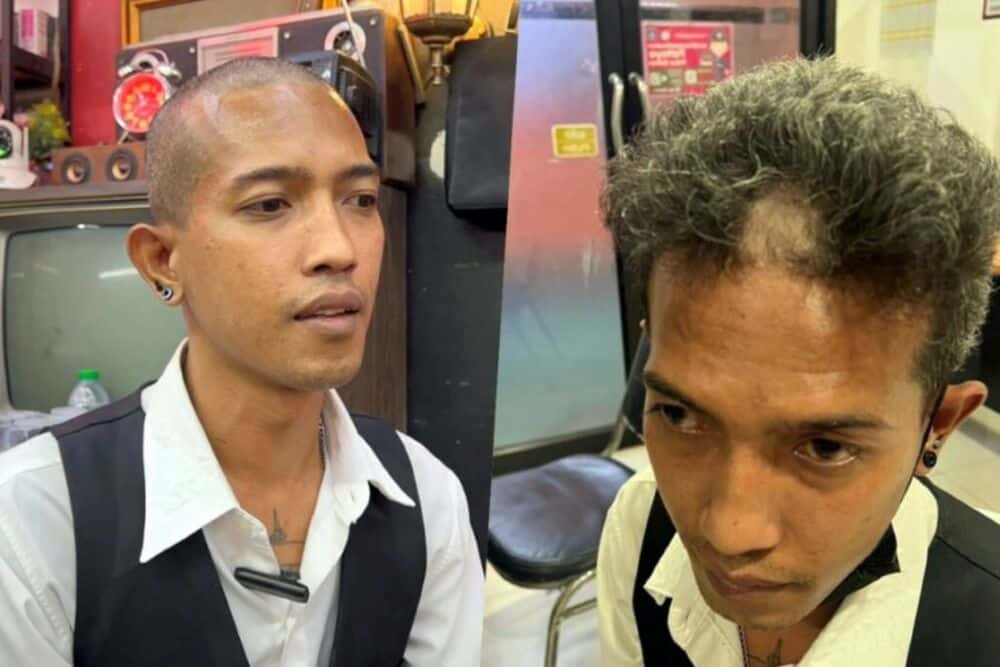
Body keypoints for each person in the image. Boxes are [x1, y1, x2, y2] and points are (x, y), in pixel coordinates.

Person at [0, 57, 482, 666]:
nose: (339, 249)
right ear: (162, 261)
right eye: (270, 205)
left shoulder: (429, 500)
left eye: (360, 200)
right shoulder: (31, 523)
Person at [597, 57, 1000, 666]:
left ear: (937, 426)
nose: (729, 533)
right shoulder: (639, 529)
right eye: (679, 414)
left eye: (826, 447)